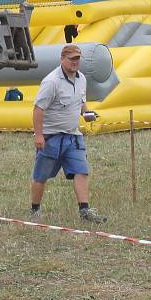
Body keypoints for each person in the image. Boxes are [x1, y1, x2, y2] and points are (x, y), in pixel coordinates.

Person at [30, 44, 106, 223]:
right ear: (62, 59)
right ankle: (35, 210)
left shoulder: (82, 79)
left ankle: (85, 211)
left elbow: (81, 102)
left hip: (73, 137)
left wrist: (87, 114)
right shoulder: (51, 81)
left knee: (81, 171)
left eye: (77, 59)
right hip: (51, 138)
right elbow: (38, 109)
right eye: (71, 59)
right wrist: (39, 135)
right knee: (41, 176)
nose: (75, 62)